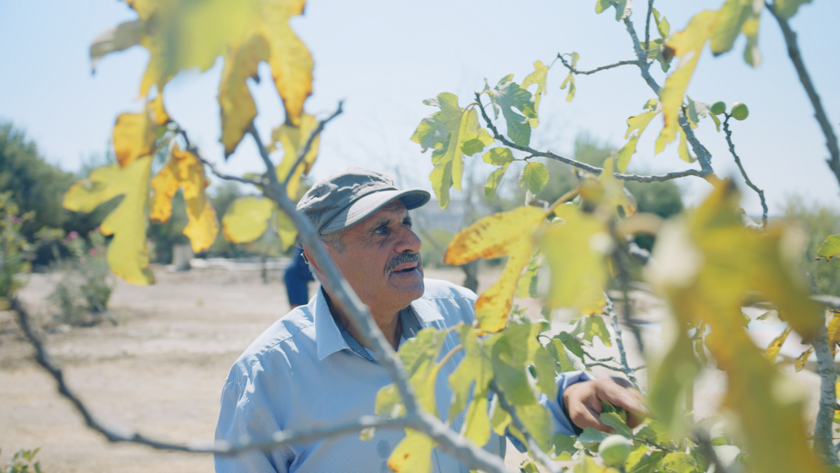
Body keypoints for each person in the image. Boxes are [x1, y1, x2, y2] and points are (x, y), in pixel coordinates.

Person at [214, 167, 644, 473]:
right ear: (320, 258)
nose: (412, 242)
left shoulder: (463, 312)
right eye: (381, 230)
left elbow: (528, 401)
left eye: (406, 222)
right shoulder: (267, 376)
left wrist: (574, 394)